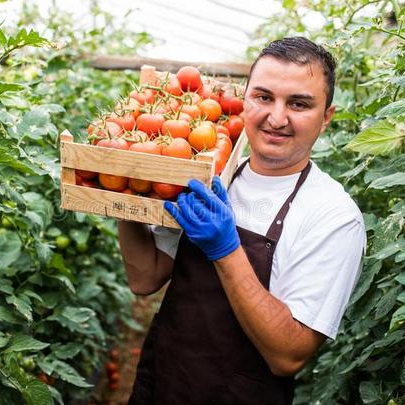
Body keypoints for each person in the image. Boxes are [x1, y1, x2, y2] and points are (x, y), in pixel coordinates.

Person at [118, 37, 366, 404]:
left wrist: (226, 248)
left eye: (298, 103)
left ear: (326, 118)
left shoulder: (332, 215)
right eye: (264, 97)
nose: (277, 118)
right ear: (245, 98)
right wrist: (124, 195)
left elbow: (289, 354)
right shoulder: (210, 175)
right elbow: (145, 277)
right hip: (163, 383)